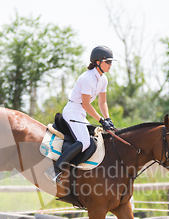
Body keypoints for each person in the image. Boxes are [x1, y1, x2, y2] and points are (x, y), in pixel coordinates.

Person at [45, 45, 116, 184]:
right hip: (72, 111)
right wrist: (101, 120)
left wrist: (108, 118)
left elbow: (102, 102)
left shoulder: (103, 79)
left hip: (81, 113)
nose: (110, 65)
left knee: (94, 140)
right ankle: (54, 170)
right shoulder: (88, 78)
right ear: (97, 62)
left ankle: (76, 171)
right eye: (107, 61)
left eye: (111, 62)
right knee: (84, 142)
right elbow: (85, 104)